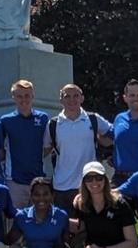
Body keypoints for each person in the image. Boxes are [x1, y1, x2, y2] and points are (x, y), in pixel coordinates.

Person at [46, 84, 114, 213]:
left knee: (90, 223)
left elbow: (116, 134)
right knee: (65, 223)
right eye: (67, 96)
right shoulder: (53, 124)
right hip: (62, 186)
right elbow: (45, 149)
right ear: (61, 100)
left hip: (89, 184)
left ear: (82, 98)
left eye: (76, 96)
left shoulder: (93, 119)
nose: (72, 99)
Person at [1, 79, 51, 212]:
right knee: (15, 220)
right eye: (19, 96)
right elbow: (0, 149)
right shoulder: (6, 121)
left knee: (41, 218)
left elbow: (47, 147)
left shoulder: (43, 118)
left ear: (33, 96)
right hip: (14, 181)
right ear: (13, 97)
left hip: (39, 180)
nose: (23, 99)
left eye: (27, 95)